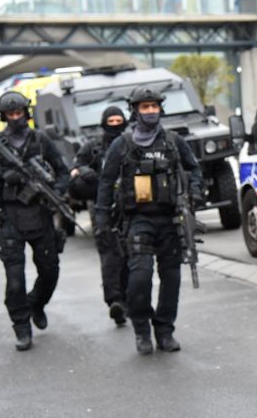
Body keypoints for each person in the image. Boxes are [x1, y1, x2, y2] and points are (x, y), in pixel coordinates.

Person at [95, 87, 203, 355]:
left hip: (170, 220)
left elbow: (194, 169)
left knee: (172, 279)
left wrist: (194, 196)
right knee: (139, 279)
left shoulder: (173, 141)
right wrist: (101, 217)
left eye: (154, 106)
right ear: (136, 110)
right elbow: (106, 181)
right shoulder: (123, 143)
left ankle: (165, 330)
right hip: (138, 220)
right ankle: (142, 329)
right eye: (145, 107)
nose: (151, 111)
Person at [0, 91, 69, 351]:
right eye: (11, 115)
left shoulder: (40, 140)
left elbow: (62, 171)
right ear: (4, 116)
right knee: (15, 279)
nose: (16, 119)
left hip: (40, 215)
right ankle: (21, 326)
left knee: (50, 271)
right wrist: (4, 174)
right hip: (11, 219)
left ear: (26, 113)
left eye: (19, 114)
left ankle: (36, 303)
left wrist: (57, 192)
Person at [69, 106, 129, 326]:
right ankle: (115, 301)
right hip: (102, 206)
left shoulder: (131, 142)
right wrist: (86, 173)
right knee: (110, 253)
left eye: (118, 120)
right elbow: (75, 167)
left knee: (131, 254)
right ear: (104, 123)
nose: (114, 125)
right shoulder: (93, 146)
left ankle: (128, 297)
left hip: (131, 206)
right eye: (110, 121)